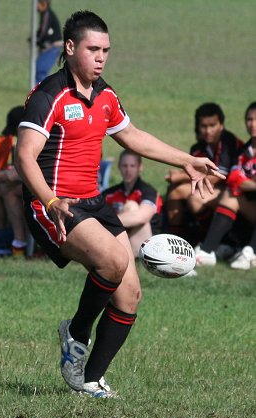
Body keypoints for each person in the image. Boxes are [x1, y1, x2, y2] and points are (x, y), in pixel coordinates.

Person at [15, 10, 225, 398]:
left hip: (93, 202)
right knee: (113, 260)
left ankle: (90, 379)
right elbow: (23, 156)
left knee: (129, 294)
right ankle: (76, 333)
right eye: (93, 49)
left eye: (106, 50)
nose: (101, 57)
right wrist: (50, 199)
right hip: (53, 204)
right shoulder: (49, 95)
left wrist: (186, 159)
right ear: (70, 47)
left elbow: (130, 135)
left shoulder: (105, 95)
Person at [165, 103, 243, 245]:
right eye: (203, 126)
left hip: (232, 192)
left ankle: (184, 241)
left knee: (185, 193)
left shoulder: (228, 141)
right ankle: (177, 240)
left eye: (212, 125)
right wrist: (178, 174)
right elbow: (192, 170)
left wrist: (180, 176)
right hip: (213, 189)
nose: (208, 131)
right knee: (176, 190)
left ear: (221, 125)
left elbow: (218, 176)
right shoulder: (198, 147)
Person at [195, 102, 256, 269]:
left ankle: (250, 253)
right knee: (230, 195)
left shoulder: (230, 143)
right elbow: (234, 178)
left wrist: (245, 183)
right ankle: (207, 252)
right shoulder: (245, 150)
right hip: (250, 205)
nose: (253, 124)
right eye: (249, 119)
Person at [103, 149, 163, 258]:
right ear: (119, 167)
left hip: (149, 244)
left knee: (132, 207)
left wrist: (105, 223)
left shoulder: (148, 192)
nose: (128, 170)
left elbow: (141, 217)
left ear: (140, 167)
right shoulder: (109, 193)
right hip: (118, 239)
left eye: (132, 166)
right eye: (124, 166)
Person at [0, 106, 27, 256]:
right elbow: (17, 169)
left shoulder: (34, 139)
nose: (14, 135)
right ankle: (1, 234)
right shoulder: (18, 144)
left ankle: (19, 243)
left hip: (48, 187)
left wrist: (3, 175)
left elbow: (23, 172)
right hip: (28, 182)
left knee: (8, 190)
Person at [35, 0, 63, 83]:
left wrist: (37, 40)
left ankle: (39, 92)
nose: (36, 6)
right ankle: (37, 91)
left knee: (41, 70)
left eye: (38, 3)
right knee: (39, 69)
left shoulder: (47, 14)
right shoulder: (45, 14)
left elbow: (43, 31)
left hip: (52, 47)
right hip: (49, 47)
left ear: (44, 4)